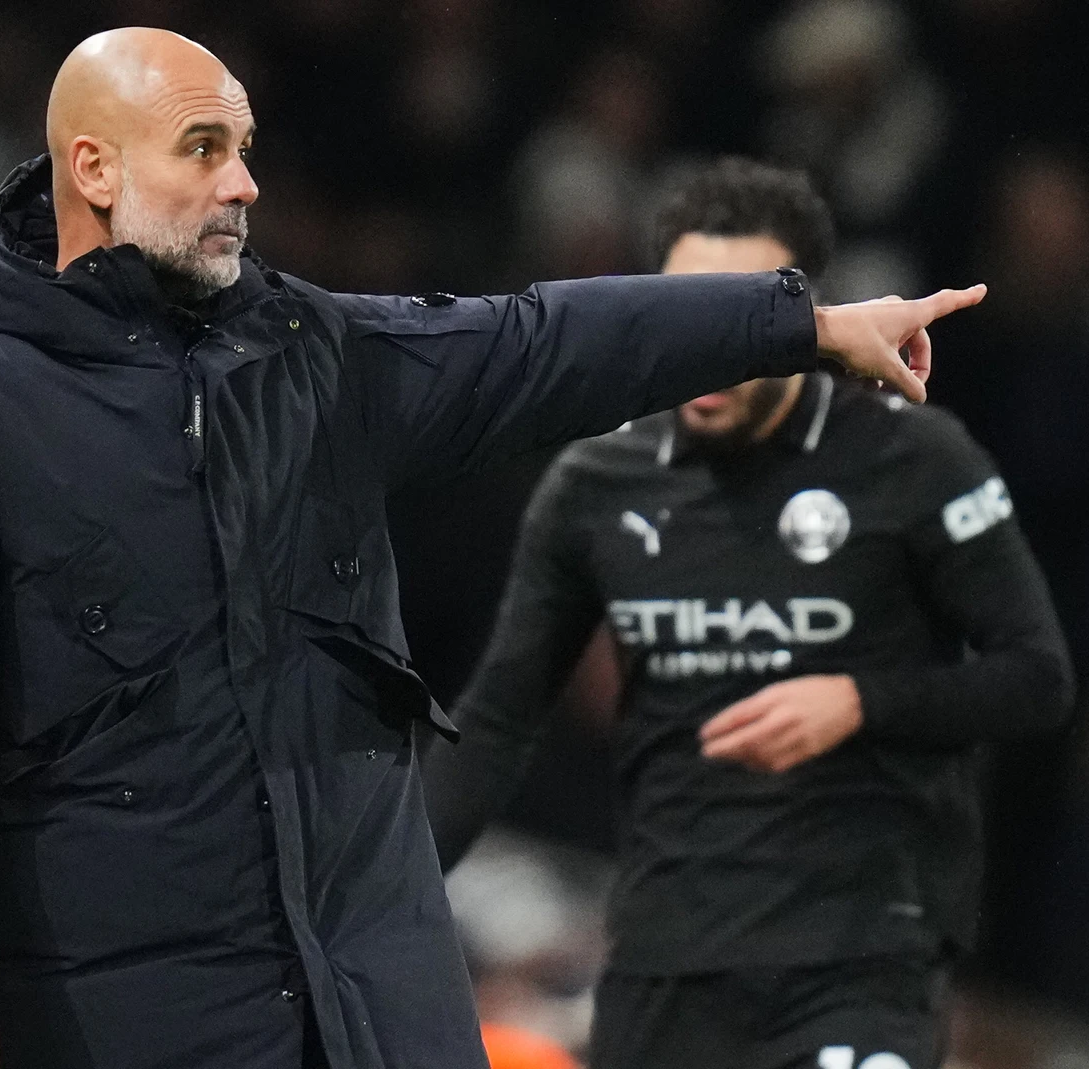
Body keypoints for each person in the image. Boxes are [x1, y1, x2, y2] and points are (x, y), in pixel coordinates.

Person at [0, 29, 985, 1069]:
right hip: (115, 1007)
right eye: (204, 149)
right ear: (94, 168)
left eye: (246, 148)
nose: (245, 185)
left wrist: (803, 326)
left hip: (373, 1002)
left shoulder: (312, 357)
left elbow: (539, 345)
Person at [436, 158, 1074, 1069]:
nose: (706, 345)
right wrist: (387, 900)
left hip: (858, 955)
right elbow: (498, 719)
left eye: (736, 314)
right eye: (683, 314)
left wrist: (862, 701)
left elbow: (1038, 680)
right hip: (665, 959)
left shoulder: (913, 462)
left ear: (802, 319)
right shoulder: (597, 483)